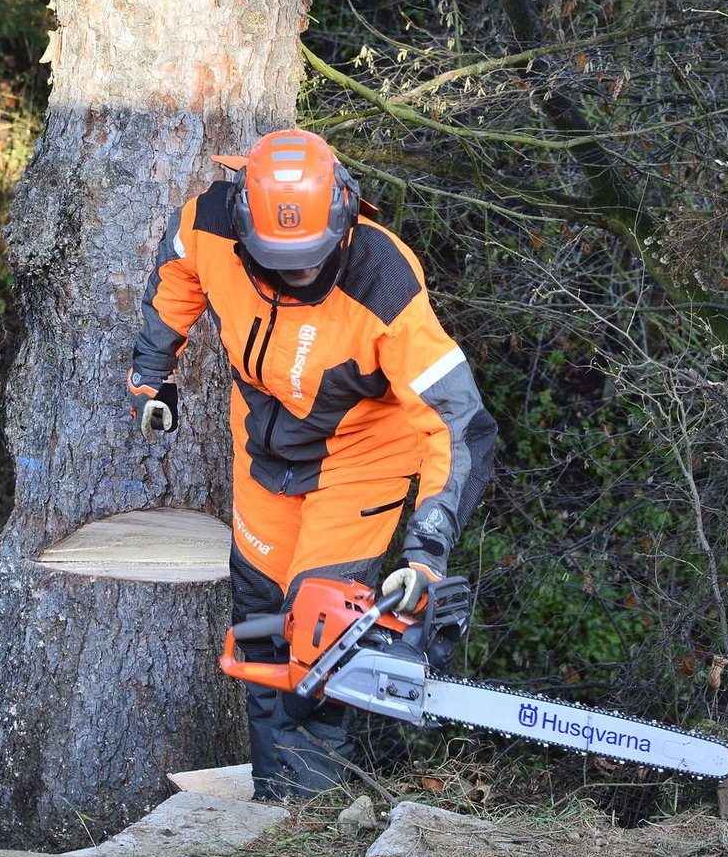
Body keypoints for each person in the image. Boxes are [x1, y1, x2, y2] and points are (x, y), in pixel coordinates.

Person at [128, 128, 496, 801]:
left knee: (318, 631)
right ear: (245, 225)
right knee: (263, 623)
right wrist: (154, 371)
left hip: (360, 458)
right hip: (265, 454)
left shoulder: (382, 280)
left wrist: (427, 551)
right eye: (279, 258)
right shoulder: (210, 223)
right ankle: (276, 805)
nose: (298, 271)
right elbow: (176, 267)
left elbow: (460, 423)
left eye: (310, 258)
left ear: (343, 214)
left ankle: (312, 815)